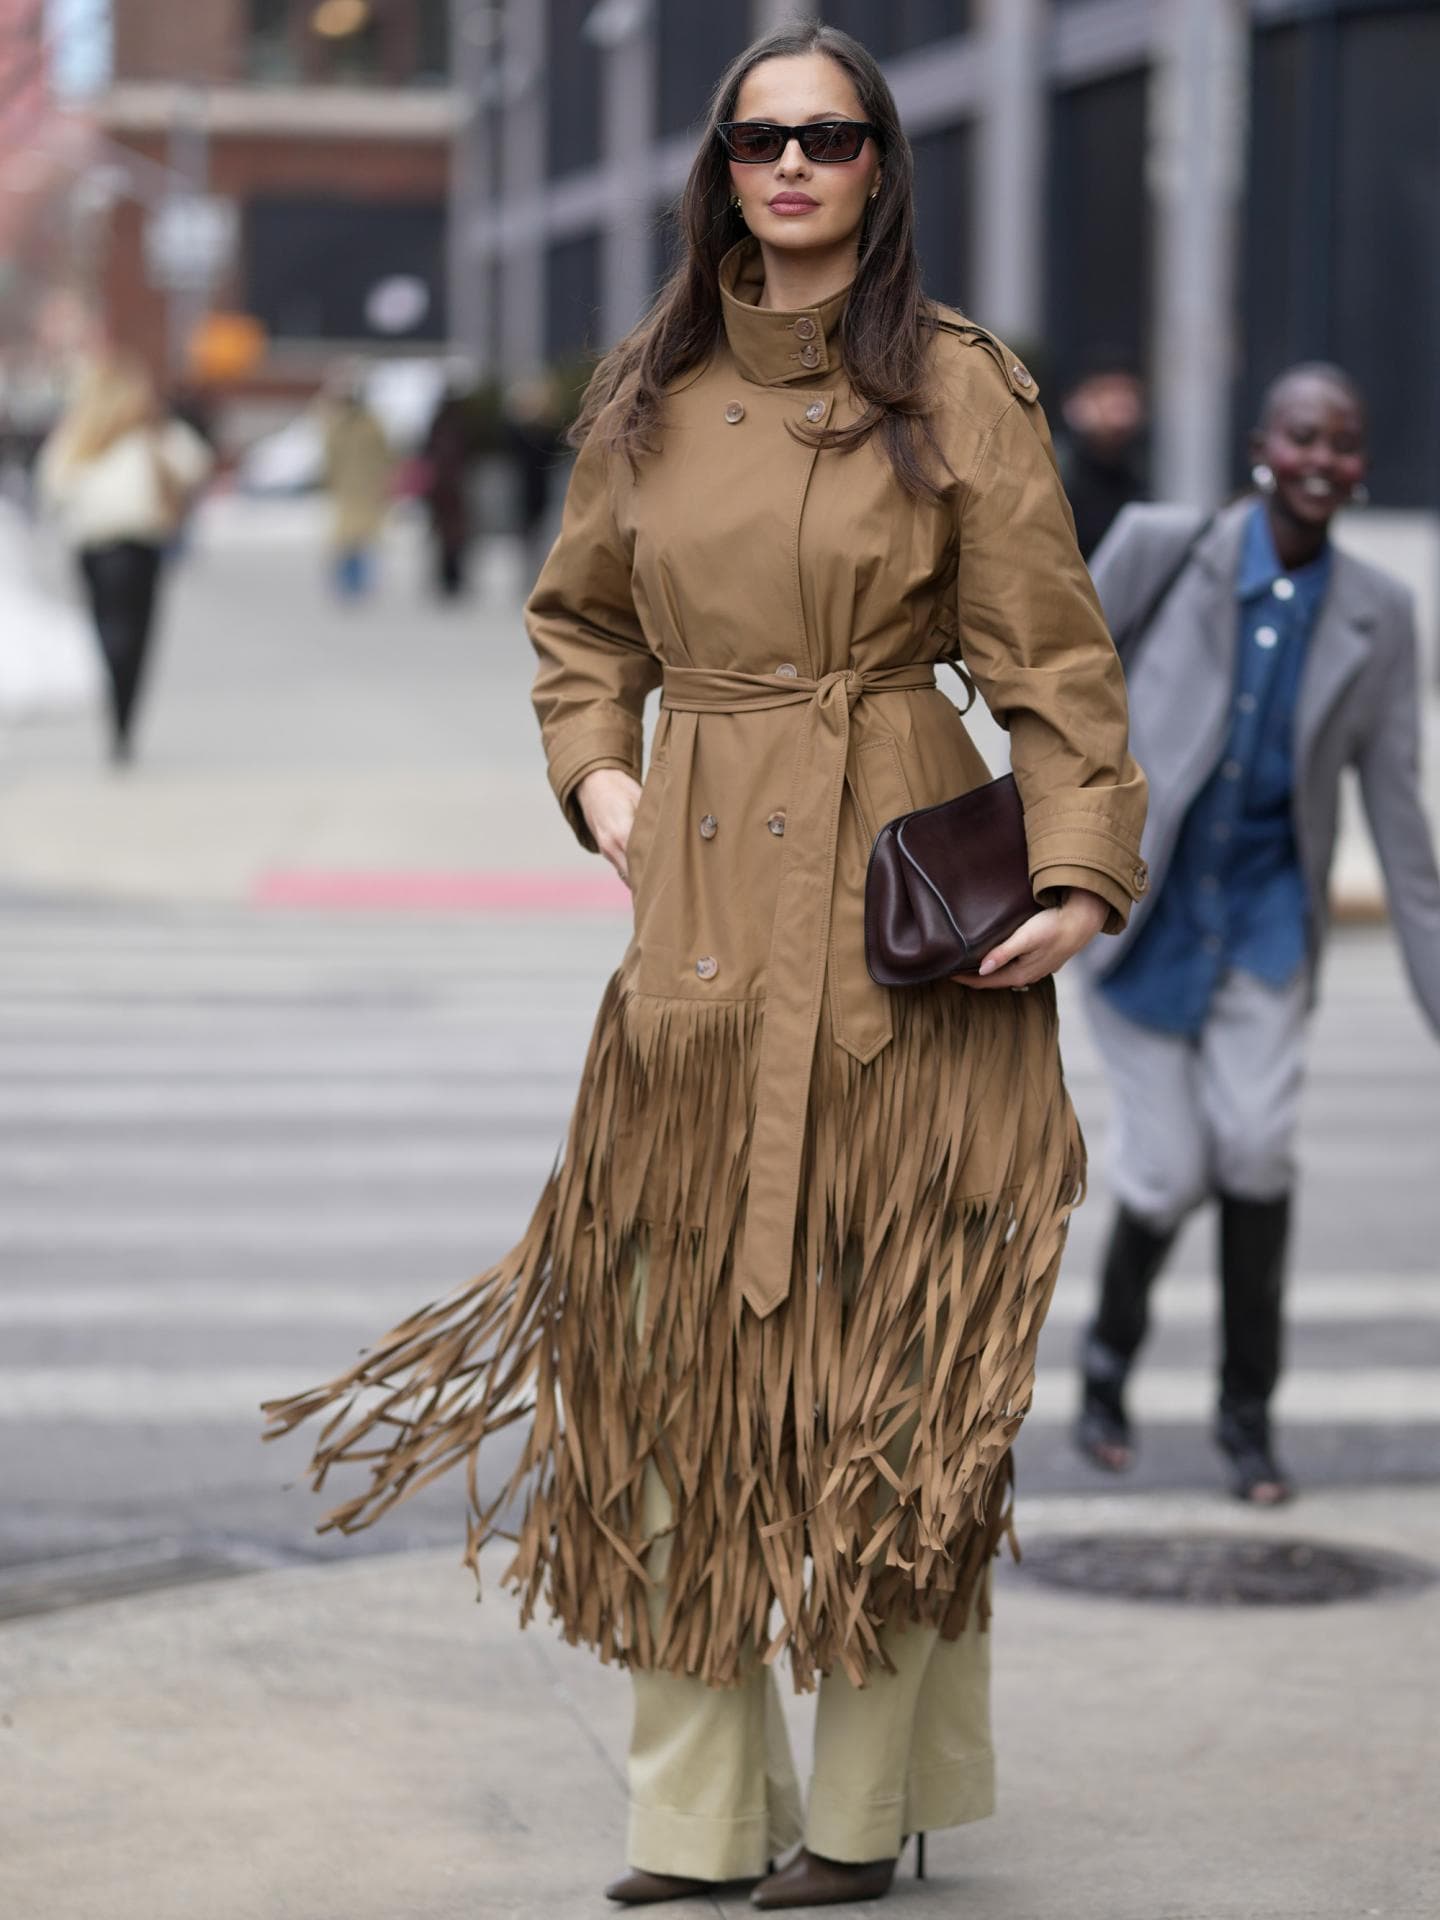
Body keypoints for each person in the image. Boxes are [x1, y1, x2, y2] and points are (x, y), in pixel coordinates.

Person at [264, 22, 1147, 1910]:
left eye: (830, 135)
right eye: (761, 139)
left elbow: (1054, 665)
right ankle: (694, 1821)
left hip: (908, 932)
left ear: (882, 164)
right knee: (674, 1392)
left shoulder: (957, 391)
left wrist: (1077, 874)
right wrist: (597, 781)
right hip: (701, 932)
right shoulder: (644, 393)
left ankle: (860, 1814)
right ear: (721, 170)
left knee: (894, 1396)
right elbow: (580, 623)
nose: (795, 166)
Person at [1074, 362, 1440, 1507]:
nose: (1322, 460)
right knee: (1169, 1168)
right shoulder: (1160, 547)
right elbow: (1058, 692)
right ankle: (1106, 1363)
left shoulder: (1381, 616)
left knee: (1259, 1154)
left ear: (1359, 464)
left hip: (1270, 931)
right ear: (1261, 446)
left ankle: (1247, 1420)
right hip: (1143, 919)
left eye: (1343, 443)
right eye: (1302, 437)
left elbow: (1398, 821)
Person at [36, 349, 212, 763]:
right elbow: (195, 465)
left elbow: (54, 487)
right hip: (126, 545)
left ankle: (120, 715)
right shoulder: (123, 435)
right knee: (132, 636)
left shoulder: (96, 435)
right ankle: (123, 717)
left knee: (113, 632)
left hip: (106, 545)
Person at [1053, 359, 1148, 561]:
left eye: (1128, 394)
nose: (1119, 406)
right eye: (1105, 393)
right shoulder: (1056, 470)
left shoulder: (1135, 474)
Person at [320, 374, 391, 598]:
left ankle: (357, 582)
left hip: (365, 487)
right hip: (351, 488)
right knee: (349, 539)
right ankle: (349, 581)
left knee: (359, 539)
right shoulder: (343, 425)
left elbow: (387, 456)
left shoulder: (369, 425)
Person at [420, 385, 474, 598]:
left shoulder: (441, 424)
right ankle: (451, 578)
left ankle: (450, 578)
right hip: (450, 489)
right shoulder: (461, 424)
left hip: (446, 489)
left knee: (448, 537)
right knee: (453, 536)